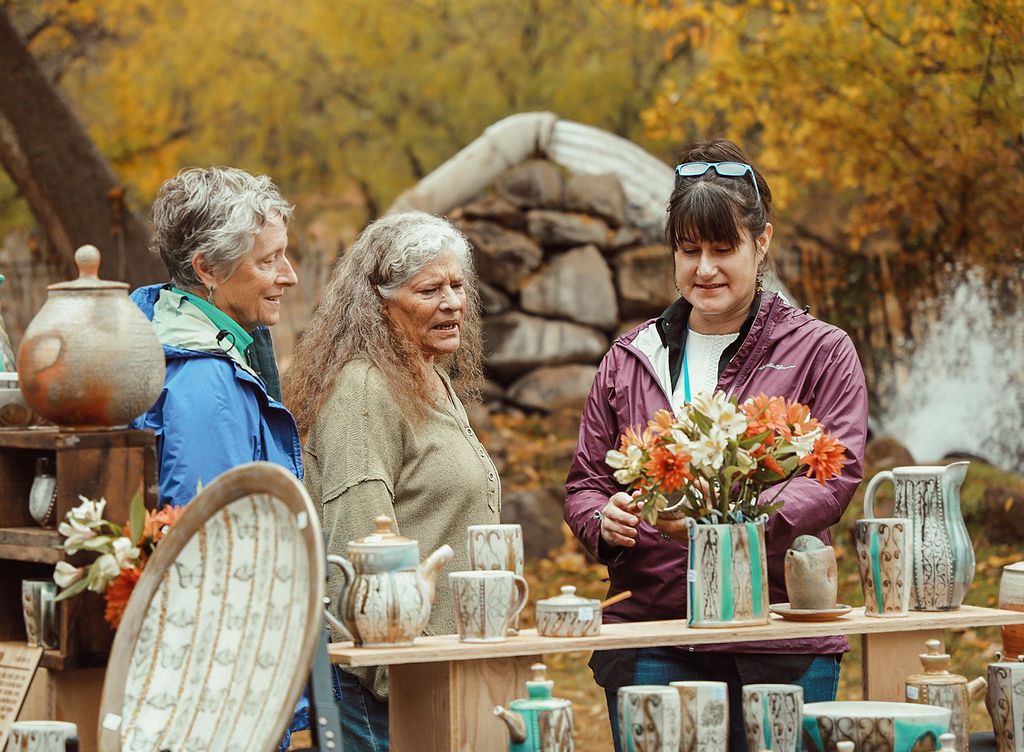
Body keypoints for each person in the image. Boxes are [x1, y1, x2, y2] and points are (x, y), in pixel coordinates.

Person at [564, 138, 869, 752]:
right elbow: (587, 484)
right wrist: (603, 519)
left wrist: (729, 530)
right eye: (688, 250)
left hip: (779, 636)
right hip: (652, 631)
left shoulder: (820, 350)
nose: (704, 268)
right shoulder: (630, 358)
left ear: (762, 244)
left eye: (723, 249)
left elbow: (834, 477)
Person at [286, 211, 501, 752]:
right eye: (430, 289)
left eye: (457, 285)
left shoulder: (429, 377)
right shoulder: (365, 390)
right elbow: (357, 544)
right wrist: (396, 674)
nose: (452, 302)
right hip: (387, 687)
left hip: (436, 670)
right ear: (379, 304)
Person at [130, 166, 302, 507]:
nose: (290, 276)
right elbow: (214, 537)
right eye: (268, 260)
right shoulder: (207, 382)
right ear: (207, 269)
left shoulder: (167, 327)